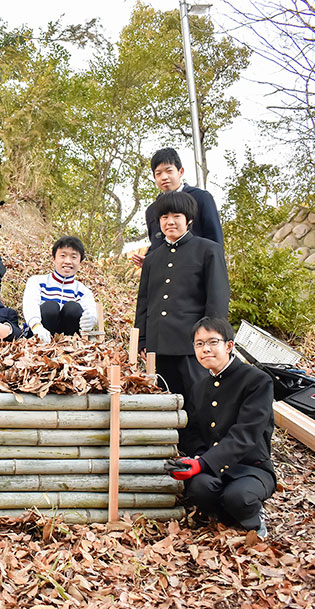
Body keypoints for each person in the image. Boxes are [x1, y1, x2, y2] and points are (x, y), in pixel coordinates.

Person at [166, 317, 275, 538]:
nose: (205, 349)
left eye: (212, 342)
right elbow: (192, 431)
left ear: (229, 345)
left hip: (252, 467)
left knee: (239, 497)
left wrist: (204, 463)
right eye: (199, 344)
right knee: (198, 490)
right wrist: (197, 460)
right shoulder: (198, 387)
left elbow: (246, 434)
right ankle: (225, 516)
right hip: (212, 466)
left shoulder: (257, 381)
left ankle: (254, 519)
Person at [134, 191, 229, 416]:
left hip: (193, 343)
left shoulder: (208, 250)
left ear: (189, 220)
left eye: (176, 216)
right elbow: (144, 302)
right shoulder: (153, 259)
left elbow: (217, 298)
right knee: (167, 401)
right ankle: (176, 449)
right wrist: (143, 340)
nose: (170, 221)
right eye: (164, 217)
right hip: (159, 344)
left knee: (199, 401)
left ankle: (201, 450)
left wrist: (210, 339)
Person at [132, 147, 224, 267]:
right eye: (158, 173)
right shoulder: (152, 210)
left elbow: (215, 240)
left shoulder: (201, 198)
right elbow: (157, 244)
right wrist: (148, 261)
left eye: (169, 171)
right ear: (154, 178)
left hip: (196, 271)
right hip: (165, 277)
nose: (164, 177)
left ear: (181, 172)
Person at [22, 236, 97, 342]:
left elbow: (91, 311)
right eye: (63, 256)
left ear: (80, 262)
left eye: (74, 257)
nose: (68, 261)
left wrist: (91, 319)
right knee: (50, 307)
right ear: (54, 259)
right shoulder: (37, 282)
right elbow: (30, 304)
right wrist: (36, 326)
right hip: (39, 335)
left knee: (73, 308)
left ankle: (68, 347)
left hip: (70, 339)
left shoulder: (83, 291)